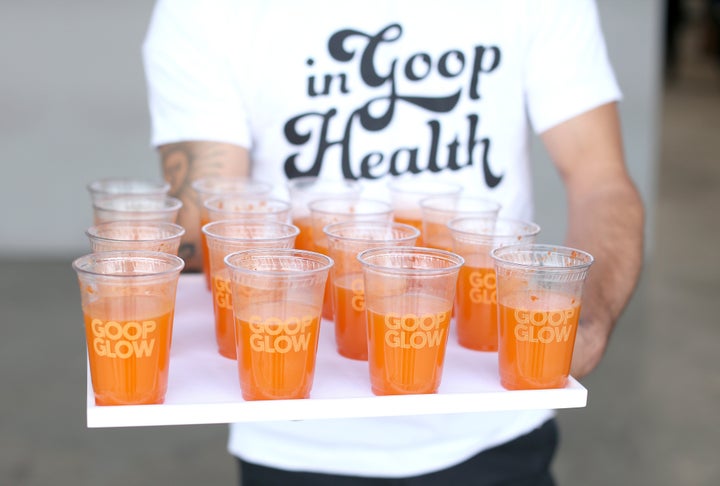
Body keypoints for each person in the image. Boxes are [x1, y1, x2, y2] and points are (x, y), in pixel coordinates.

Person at [142, 0, 644, 484]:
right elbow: (211, 217)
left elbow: (600, 181)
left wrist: (590, 320)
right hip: (293, 434)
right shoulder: (204, 8)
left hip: (496, 425)